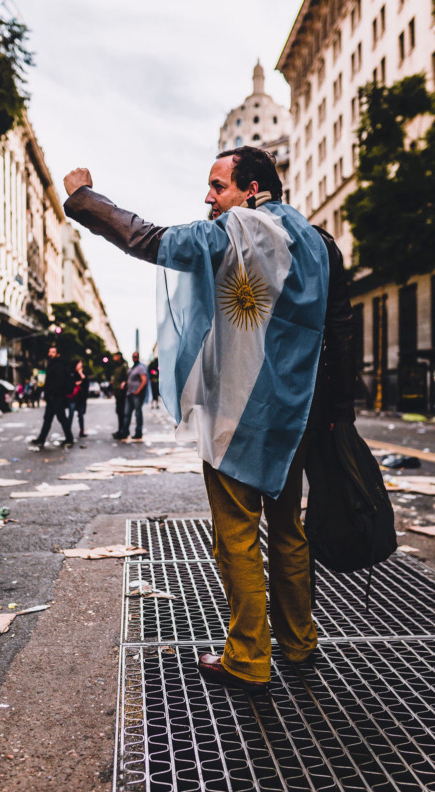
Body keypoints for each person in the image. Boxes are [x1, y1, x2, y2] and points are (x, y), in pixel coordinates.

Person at [62, 146, 355, 694]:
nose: (208, 197)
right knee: (289, 531)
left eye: (218, 186)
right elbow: (339, 327)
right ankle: (299, 640)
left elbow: (153, 240)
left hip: (240, 418)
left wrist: (84, 198)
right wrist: (340, 412)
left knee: (236, 538)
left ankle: (247, 657)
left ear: (250, 190)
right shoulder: (317, 241)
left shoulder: (239, 230)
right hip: (297, 417)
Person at [31, 344, 74, 449]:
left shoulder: (59, 365)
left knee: (61, 418)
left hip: (57, 397)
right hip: (52, 398)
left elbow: (58, 383)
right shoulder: (51, 364)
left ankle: (69, 439)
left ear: (58, 354)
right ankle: (41, 439)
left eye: (53, 352)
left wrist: (52, 394)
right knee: (47, 419)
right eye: (50, 352)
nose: (50, 354)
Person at [115, 351, 148, 441]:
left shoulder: (140, 368)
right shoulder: (131, 369)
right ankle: (125, 432)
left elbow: (144, 380)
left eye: (136, 356)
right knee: (126, 414)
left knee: (138, 414)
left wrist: (138, 390)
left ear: (138, 357)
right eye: (133, 356)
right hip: (129, 394)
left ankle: (138, 432)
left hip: (136, 395)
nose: (135, 358)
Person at [68, 359, 89, 438]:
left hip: (81, 397)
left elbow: (86, 383)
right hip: (73, 397)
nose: (81, 365)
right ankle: (68, 431)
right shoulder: (72, 373)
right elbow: (69, 383)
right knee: (71, 414)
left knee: (81, 414)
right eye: (79, 363)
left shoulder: (83, 372)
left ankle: (82, 431)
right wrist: (75, 383)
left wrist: (81, 374)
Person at [111, 351, 128, 438]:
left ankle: (123, 431)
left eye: (115, 356)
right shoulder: (116, 366)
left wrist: (124, 382)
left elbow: (127, 377)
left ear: (119, 356)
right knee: (119, 411)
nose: (113, 358)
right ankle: (120, 429)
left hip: (122, 392)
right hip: (117, 392)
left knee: (121, 411)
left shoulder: (123, 366)